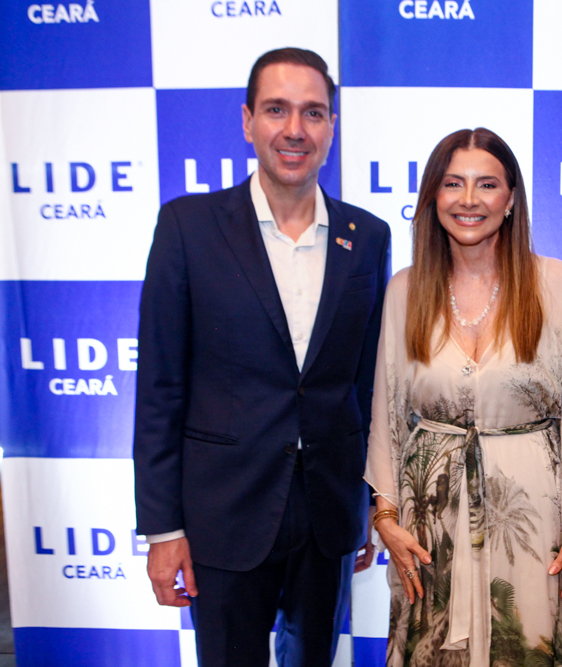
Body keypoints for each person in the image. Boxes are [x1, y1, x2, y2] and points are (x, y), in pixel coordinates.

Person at [133, 47, 390, 667]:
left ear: (331, 127)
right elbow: (160, 388)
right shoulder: (188, 227)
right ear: (247, 121)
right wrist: (164, 530)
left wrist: (366, 503)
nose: (295, 129)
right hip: (223, 515)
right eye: (277, 110)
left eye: (313, 113)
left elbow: (366, 386)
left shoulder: (367, 236)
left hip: (329, 515)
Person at [364, 128, 562, 667]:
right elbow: (386, 417)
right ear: (433, 197)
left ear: (511, 199)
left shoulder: (554, 285)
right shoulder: (405, 291)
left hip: (535, 532)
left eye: (486, 184)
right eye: (453, 183)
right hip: (430, 534)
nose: (469, 199)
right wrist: (385, 517)